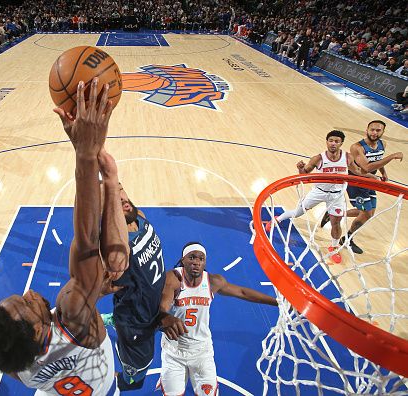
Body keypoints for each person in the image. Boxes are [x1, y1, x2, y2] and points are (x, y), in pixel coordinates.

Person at [0, 79, 128, 395]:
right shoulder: (71, 312)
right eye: (25, 303)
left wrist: (93, 294)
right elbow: (87, 244)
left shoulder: (12, 361)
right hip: (101, 385)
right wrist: (85, 155)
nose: (28, 292)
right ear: (38, 331)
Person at [157, 242, 277, 396]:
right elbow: (162, 307)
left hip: (202, 352)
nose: (196, 262)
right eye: (191, 257)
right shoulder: (173, 279)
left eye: (201, 259)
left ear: (204, 262)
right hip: (173, 352)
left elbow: (242, 292)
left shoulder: (213, 282)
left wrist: (277, 302)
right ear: (183, 260)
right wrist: (164, 316)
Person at [100, 182, 170, 391]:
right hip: (136, 324)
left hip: (148, 306)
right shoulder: (116, 251)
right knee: (136, 375)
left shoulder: (139, 216)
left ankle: (115, 317)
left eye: (119, 188)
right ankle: (121, 380)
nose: (120, 197)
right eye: (110, 198)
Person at [266, 130, 367, 263]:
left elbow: (358, 171)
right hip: (318, 192)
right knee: (297, 213)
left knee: (336, 223)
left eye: (336, 141)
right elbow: (304, 174)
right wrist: (300, 168)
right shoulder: (318, 158)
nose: (333, 143)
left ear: (341, 143)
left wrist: (372, 176)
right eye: (330, 140)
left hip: (337, 196)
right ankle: (278, 219)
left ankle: (334, 247)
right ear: (326, 142)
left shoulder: (347, 157)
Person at [320, 121, 403, 254]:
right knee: (365, 213)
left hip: (370, 181)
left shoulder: (382, 144)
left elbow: (377, 160)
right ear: (367, 130)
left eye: (378, 130)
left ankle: (334, 215)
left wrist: (383, 173)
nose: (374, 133)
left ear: (383, 132)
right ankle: (347, 239)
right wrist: (392, 156)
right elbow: (367, 167)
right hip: (357, 183)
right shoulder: (357, 147)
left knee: (369, 214)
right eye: (372, 130)